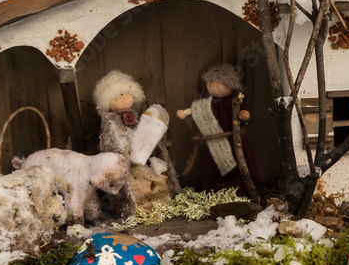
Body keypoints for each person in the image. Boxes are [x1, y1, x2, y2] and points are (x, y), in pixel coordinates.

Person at [92, 70, 180, 212]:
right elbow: (111, 142)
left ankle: (159, 203)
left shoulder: (133, 116)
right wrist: (127, 152)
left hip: (142, 161)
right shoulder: (110, 121)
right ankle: (140, 206)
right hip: (127, 168)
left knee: (155, 179)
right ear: (108, 101)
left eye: (127, 93)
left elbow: (140, 133)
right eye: (117, 96)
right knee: (137, 185)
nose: (124, 98)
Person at [176, 64, 259, 197]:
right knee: (213, 167)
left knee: (237, 165)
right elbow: (197, 109)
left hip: (233, 140)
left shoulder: (234, 102)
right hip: (215, 143)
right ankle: (214, 193)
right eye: (210, 83)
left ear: (230, 84)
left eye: (218, 83)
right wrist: (185, 112)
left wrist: (243, 114)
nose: (213, 87)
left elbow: (242, 114)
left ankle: (239, 192)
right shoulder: (208, 103)